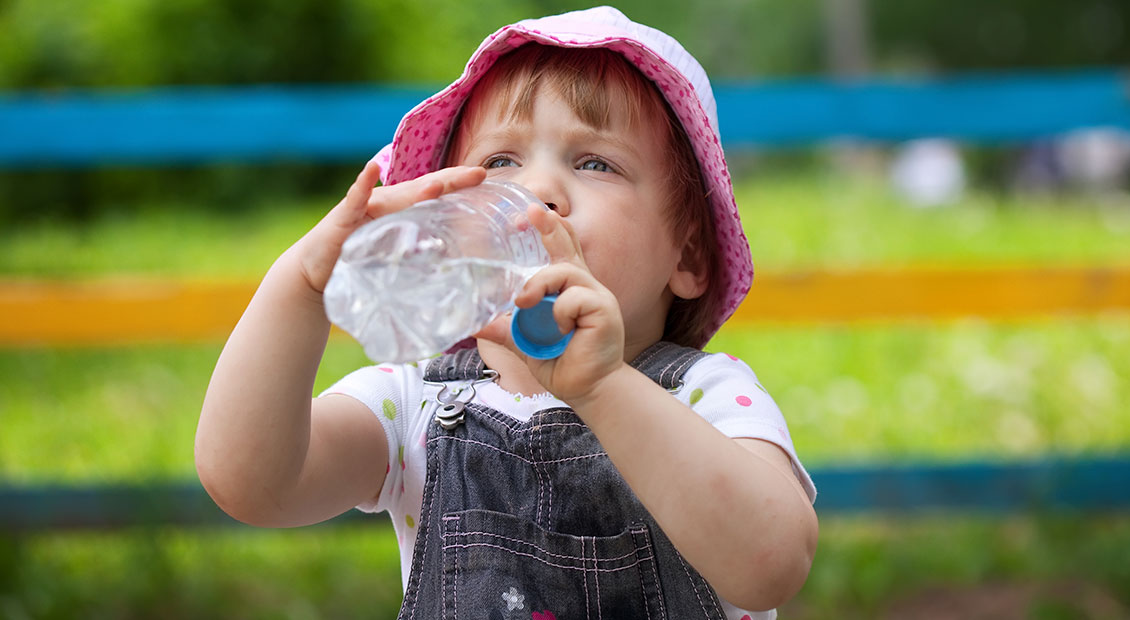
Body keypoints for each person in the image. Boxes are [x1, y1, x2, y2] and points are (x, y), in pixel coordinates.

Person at [197, 6, 818, 618]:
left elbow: (771, 565)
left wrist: (603, 387)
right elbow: (252, 482)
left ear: (686, 255)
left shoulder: (707, 397)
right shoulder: (412, 406)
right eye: (500, 163)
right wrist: (302, 284)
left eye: (594, 163)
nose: (535, 191)